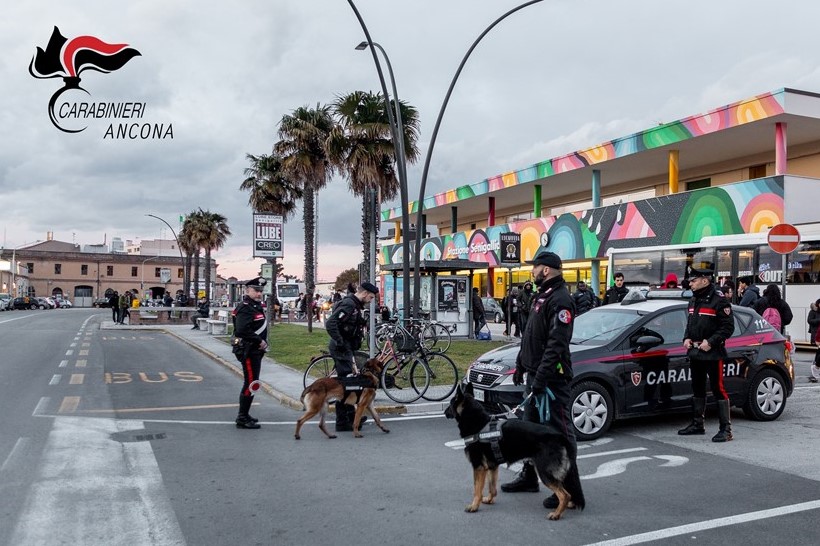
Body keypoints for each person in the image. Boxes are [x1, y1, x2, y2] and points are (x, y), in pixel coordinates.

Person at [502, 250, 585, 512]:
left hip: (552, 381)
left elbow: (556, 345)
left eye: (535, 267)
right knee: (529, 431)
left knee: (559, 435)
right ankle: (529, 477)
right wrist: (520, 363)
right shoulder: (543, 295)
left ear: (546, 269)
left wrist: (541, 377)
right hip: (535, 376)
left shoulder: (561, 300)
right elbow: (530, 335)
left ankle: (570, 490)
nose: (532, 271)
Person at [679, 264, 736, 442]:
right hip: (696, 352)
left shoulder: (719, 300)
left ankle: (726, 430)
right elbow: (690, 323)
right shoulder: (693, 299)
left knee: (718, 388)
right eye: (690, 281)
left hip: (713, 353)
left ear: (705, 280)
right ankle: (698, 424)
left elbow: (728, 327)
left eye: (694, 280)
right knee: (697, 387)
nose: (691, 284)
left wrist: (710, 342)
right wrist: (686, 338)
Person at [325, 282, 379, 432]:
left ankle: (350, 416)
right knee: (345, 385)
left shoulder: (354, 305)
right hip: (340, 348)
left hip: (345, 348)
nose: (371, 300)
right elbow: (331, 323)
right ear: (365, 293)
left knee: (349, 383)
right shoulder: (350, 305)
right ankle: (342, 422)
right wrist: (340, 341)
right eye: (371, 296)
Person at [231, 277, 269, 429]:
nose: (259, 294)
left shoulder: (255, 306)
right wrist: (259, 341)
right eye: (256, 291)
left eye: (260, 291)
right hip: (248, 350)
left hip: (254, 350)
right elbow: (241, 330)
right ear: (247, 291)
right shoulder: (245, 307)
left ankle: (245, 414)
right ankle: (242, 417)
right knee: (251, 383)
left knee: (253, 382)